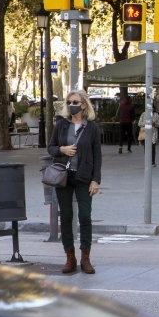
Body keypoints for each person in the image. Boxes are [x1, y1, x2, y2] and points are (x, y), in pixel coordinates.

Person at [48, 89, 102, 275]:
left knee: (85, 216)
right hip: (63, 176)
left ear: (84, 105)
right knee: (67, 216)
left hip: (84, 177)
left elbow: (97, 155)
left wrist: (96, 180)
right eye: (69, 102)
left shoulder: (92, 127)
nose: (72, 105)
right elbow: (51, 148)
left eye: (76, 102)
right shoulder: (61, 125)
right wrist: (62, 149)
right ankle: (70, 257)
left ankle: (85, 258)